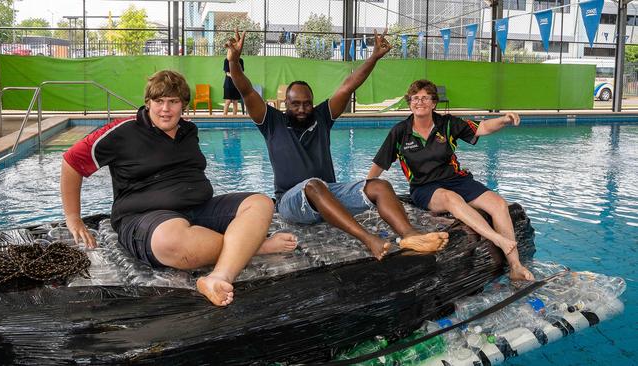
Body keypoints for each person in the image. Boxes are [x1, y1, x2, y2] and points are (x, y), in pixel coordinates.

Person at [60, 70, 296, 307]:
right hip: (144, 217)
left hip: (198, 209)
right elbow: (72, 161)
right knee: (171, 242)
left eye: (173, 102)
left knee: (260, 203)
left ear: (183, 104)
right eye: (159, 101)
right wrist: (73, 217)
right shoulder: (123, 132)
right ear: (147, 103)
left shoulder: (188, 131)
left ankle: (218, 276)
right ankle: (253, 246)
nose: (165, 109)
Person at [225, 29, 449, 260]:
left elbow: (348, 86)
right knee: (312, 185)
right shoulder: (272, 122)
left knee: (379, 186)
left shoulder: (321, 118)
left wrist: (374, 57)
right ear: (286, 104)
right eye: (296, 104)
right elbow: (246, 90)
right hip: (291, 202)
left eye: (307, 104)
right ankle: (369, 240)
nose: (302, 109)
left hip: (328, 195)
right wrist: (233, 62)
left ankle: (410, 235)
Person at [367, 79, 534, 281]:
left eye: (425, 98)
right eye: (415, 98)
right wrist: (366, 187)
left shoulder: (446, 124)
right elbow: (380, 163)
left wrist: (504, 120)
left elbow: (481, 128)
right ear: (410, 102)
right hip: (424, 188)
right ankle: (497, 239)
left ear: (433, 103)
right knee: (450, 198)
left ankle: (515, 267)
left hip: (456, 179)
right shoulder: (400, 132)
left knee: (498, 204)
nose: (419, 102)